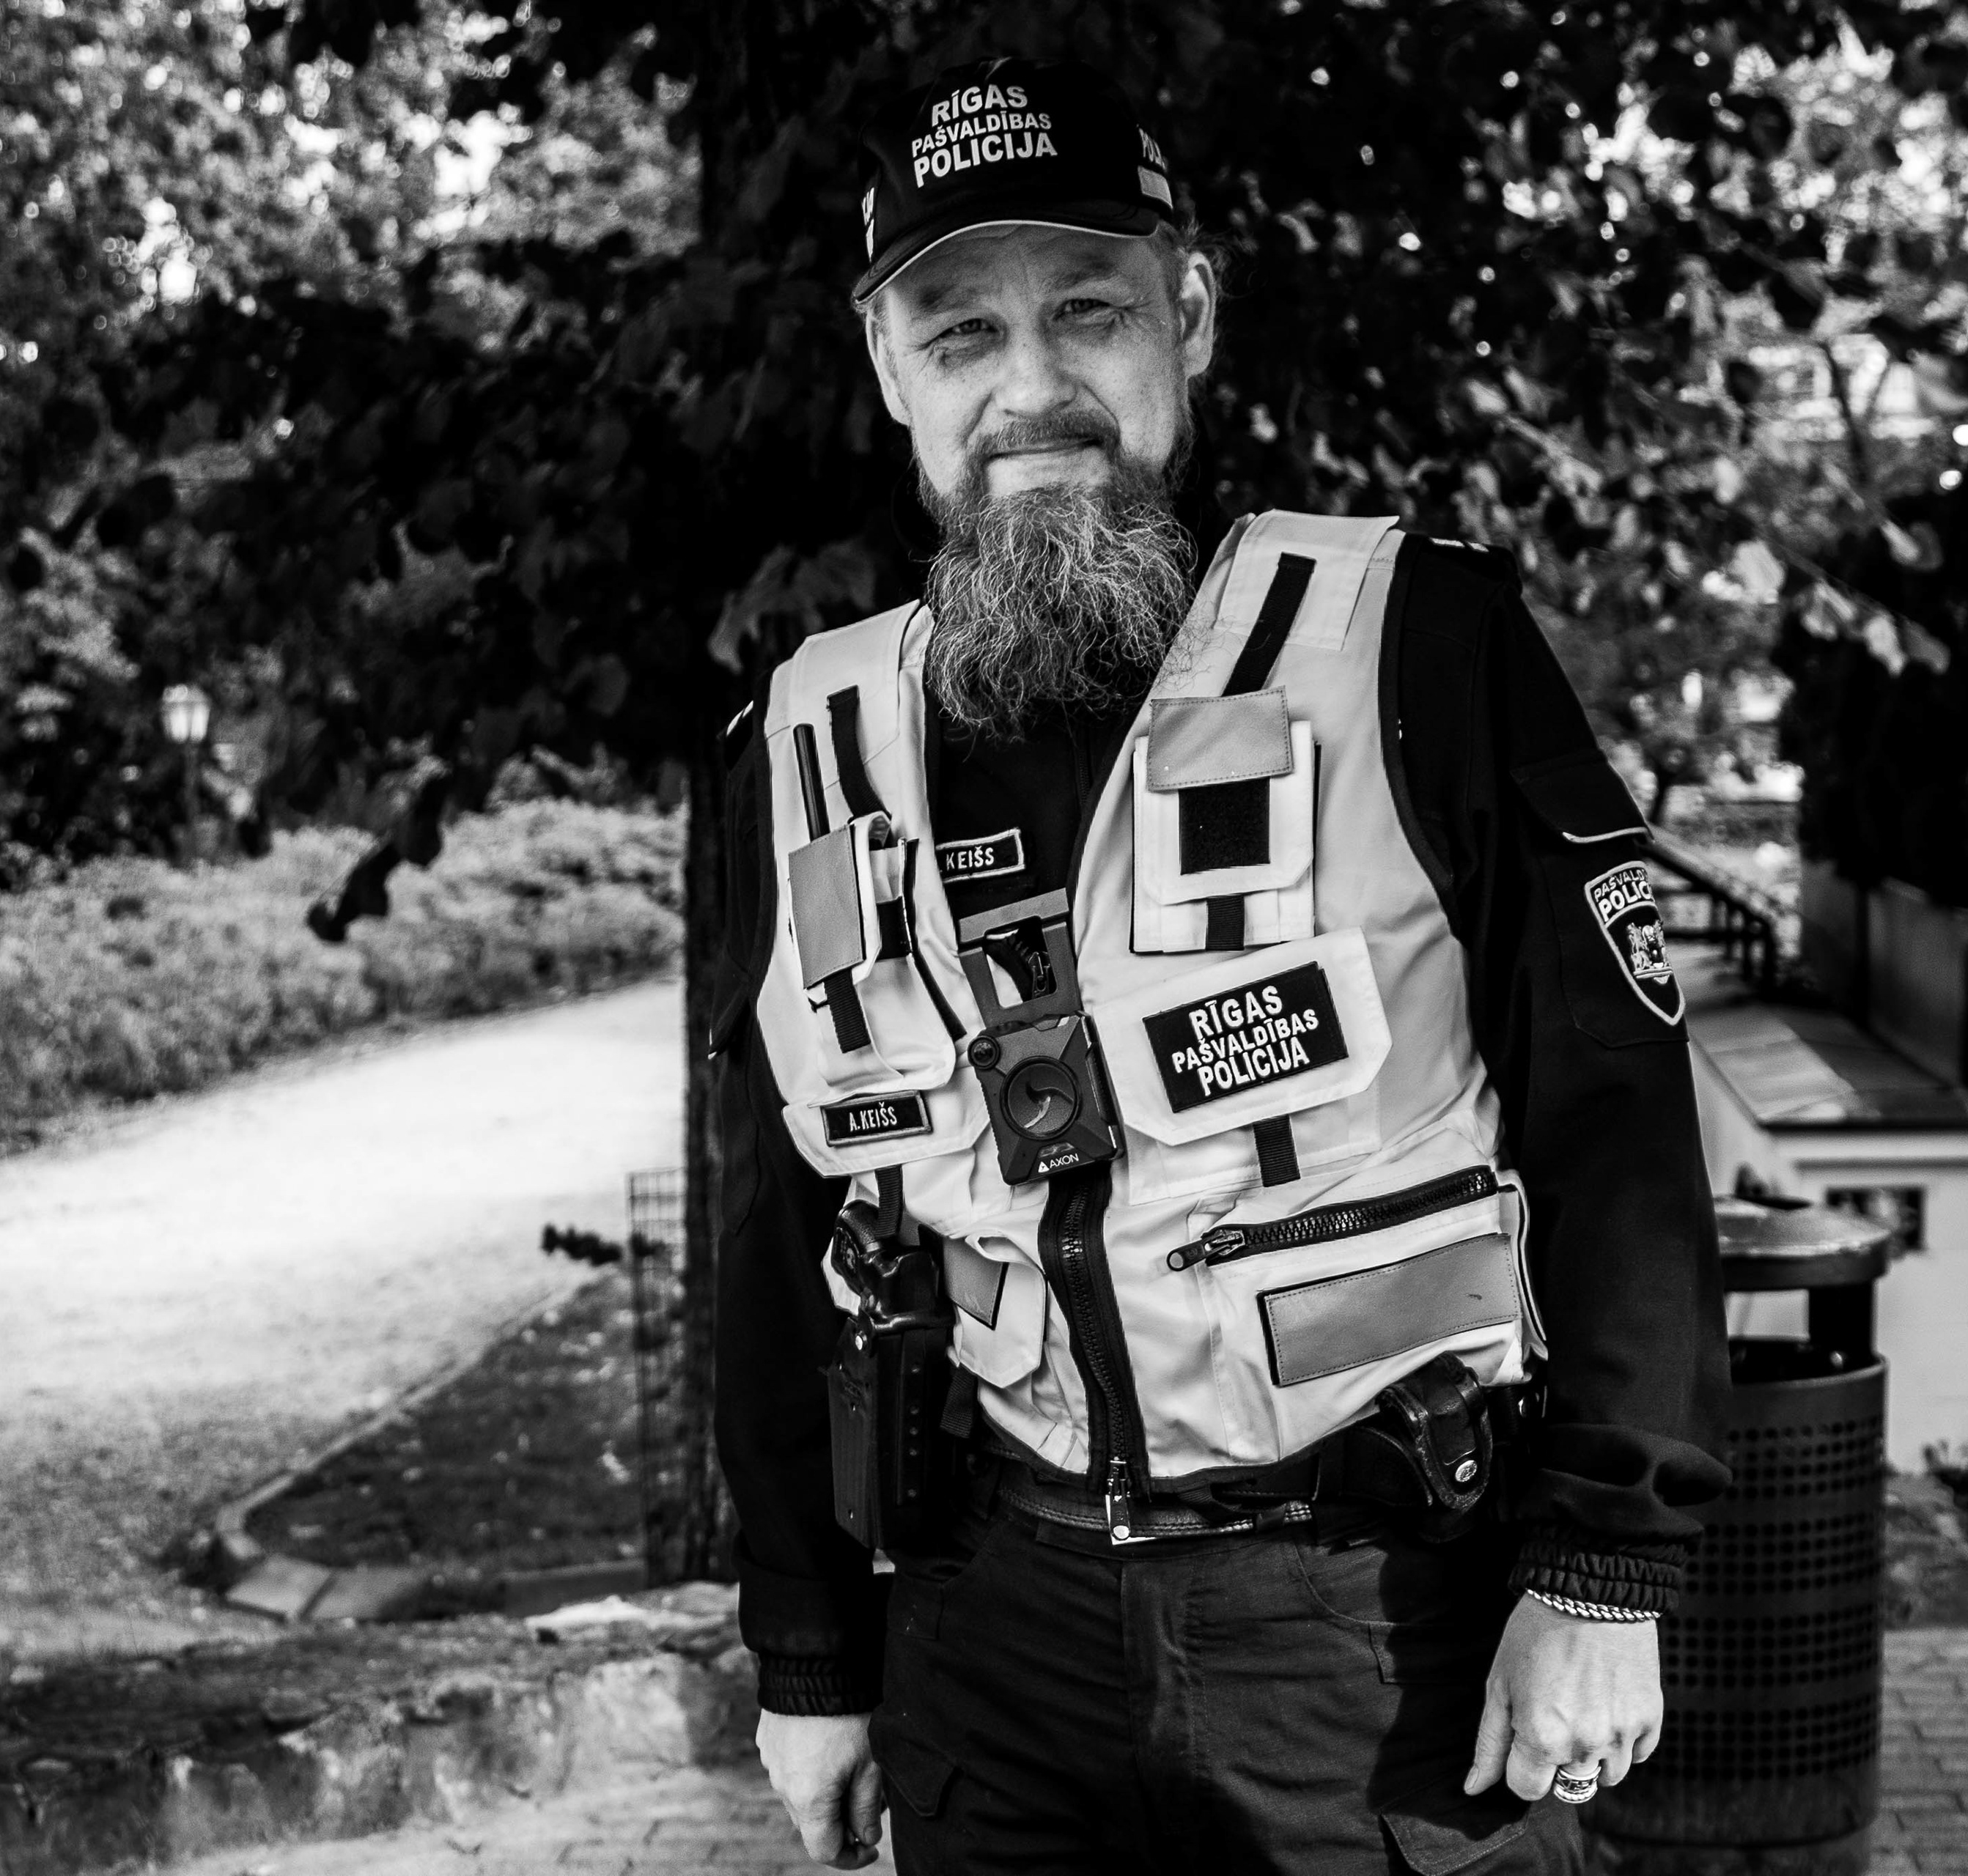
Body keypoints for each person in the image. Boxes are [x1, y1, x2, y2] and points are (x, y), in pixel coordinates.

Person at [711, 53, 1728, 1876]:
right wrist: (808, 1650)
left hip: (1377, 1630)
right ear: (889, 370)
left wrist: (1603, 1567)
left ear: (1186, 315)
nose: (1031, 388)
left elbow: (1621, 1126)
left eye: (1088, 311)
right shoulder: (801, 746)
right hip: (990, 1643)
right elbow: (779, 1230)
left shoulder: (1415, 644)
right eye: (962, 334)